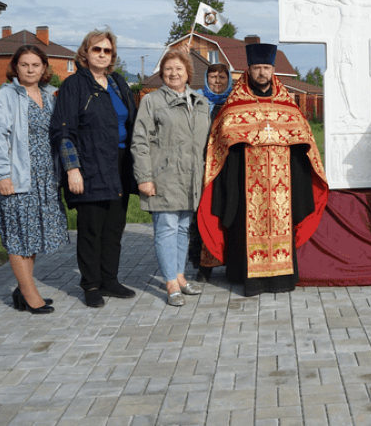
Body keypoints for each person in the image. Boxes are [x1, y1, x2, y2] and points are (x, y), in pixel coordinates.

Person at [196, 43, 329, 297]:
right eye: (257, 67)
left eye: (266, 67)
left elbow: (303, 136)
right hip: (244, 181)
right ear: (249, 69)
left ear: (272, 70)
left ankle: (282, 277)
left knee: (283, 223)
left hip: (283, 186)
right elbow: (222, 134)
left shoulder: (287, 104)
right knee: (243, 225)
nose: (261, 72)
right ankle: (245, 277)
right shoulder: (235, 104)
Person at [50, 28, 138, 308]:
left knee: (114, 227)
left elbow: (131, 122)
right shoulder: (74, 85)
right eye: (96, 49)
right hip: (89, 164)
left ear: (112, 56)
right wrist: (71, 169)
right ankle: (90, 284)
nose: (101, 54)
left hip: (120, 163)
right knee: (91, 229)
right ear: (85, 53)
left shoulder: (119, 83)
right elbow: (64, 130)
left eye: (107, 50)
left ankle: (109, 280)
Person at [0, 45, 69, 314]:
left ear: (44, 68)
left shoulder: (49, 96)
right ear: (15, 68)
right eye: (24, 65)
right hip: (18, 177)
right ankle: (30, 295)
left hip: (45, 179)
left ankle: (23, 290)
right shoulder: (7, 96)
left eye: (36, 65)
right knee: (19, 236)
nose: (30, 70)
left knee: (32, 235)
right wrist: (0, 174)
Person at [132, 50, 211, 306]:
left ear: (188, 72)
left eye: (178, 69)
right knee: (166, 229)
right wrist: (144, 176)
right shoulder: (152, 101)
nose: (173, 73)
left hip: (191, 178)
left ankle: (180, 276)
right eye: (168, 69)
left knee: (182, 229)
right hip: (163, 175)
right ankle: (169, 283)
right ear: (161, 73)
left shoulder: (200, 101)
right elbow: (140, 141)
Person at [192, 62, 233, 282]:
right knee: (205, 215)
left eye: (222, 78)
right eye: (212, 77)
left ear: (229, 80)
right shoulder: (198, 101)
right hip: (204, 167)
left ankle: (231, 262)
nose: (217, 81)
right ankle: (204, 266)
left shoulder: (235, 103)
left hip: (228, 169)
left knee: (228, 215)